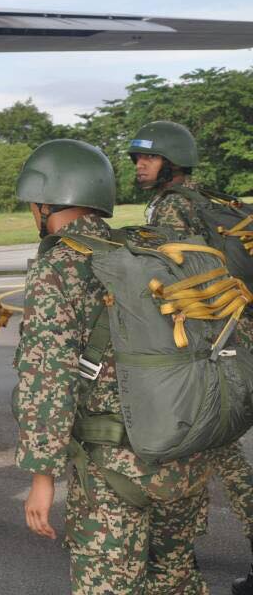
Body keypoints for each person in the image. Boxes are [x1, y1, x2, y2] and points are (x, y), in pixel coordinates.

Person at [13, 138, 209, 593]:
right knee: (176, 577)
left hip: (116, 467)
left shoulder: (61, 263)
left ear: (44, 202)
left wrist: (42, 476)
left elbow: (47, 377)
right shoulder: (150, 248)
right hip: (184, 453)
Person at [128, 120, 253, 594]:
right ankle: (180, 550)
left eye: (149, 158)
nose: (140, 165)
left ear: (173, 161)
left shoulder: (173, 209)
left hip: (209, 347)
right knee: (209, 449)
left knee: (215, 451)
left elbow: (174, 279)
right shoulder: (209, 201)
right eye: (138, 158)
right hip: (233, 336)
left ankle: (175, 556)